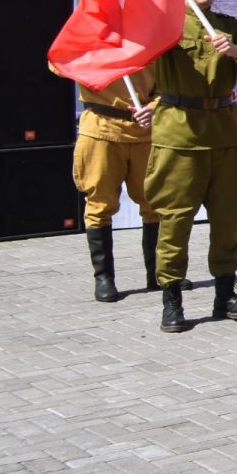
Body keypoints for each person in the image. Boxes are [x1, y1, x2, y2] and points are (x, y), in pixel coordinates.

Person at [140, 0, 237, 333]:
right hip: (180, 132)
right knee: (175, 218)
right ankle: (171, 296)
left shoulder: (229, 24)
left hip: (224, 131)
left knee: (229, 214)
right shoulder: (167, 22)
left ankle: (225, 294)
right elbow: (139, 52)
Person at [61, 65, 160, 303]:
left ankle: (159, 274)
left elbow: (165, 88)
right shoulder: (89, 45)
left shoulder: (147, 45)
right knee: (99, 206)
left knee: (155, 203)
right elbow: (58, 64)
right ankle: (104, 278)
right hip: (100, 130)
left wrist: (153, 108)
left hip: (144, 133)